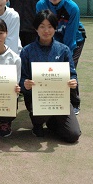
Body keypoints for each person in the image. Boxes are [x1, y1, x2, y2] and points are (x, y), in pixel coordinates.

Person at [20, 9, 81, 143]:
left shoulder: (63, 50)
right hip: (37, 99)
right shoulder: (27, 51)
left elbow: (72, 74)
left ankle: (53, 123)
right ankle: (38, 124)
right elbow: (21, 78)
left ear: (55, 28)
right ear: (36, 28)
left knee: (73, 135)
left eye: (50, 27)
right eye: (42, 26)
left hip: (60, 99)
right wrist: (25, 84)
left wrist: (73, 82)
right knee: (43, 112)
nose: (46, 30)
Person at [36, 0, 87, 115]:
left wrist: (63, 56)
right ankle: (49, 99)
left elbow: (69, 39)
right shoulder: (40, 5)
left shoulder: (73, 8)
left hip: (74, 41)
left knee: (68, 70)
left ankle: (74, 103)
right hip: (51, 39)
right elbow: (41, 29)